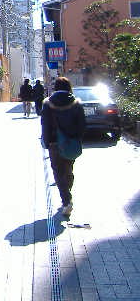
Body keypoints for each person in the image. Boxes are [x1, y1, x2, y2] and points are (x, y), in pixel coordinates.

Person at [40, 77, 86, 217]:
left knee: (58, 173)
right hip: (71, 142)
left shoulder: (48, 103)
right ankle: (67, 195)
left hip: (54, 143)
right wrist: (77, 138)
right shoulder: (76, 103)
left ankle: (66, 201)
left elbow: (45, 125)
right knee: (68, 170)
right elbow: (82, 124)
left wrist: (46, 142)